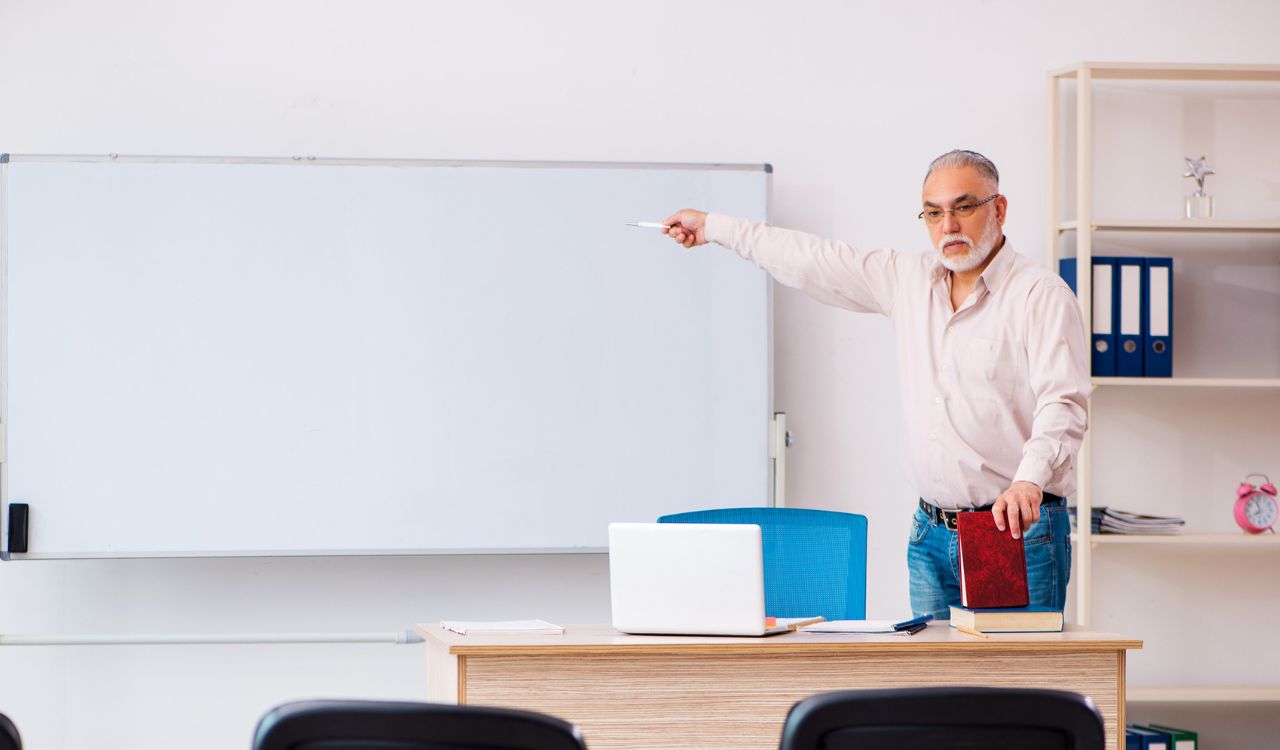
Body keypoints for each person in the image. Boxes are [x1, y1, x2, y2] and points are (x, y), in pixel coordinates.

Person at [662, 150, 1089, 619]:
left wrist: (1028, 478)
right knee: (932, 690)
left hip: (1011, 534)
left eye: (963, 208)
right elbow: (814, 260)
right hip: (930, 534)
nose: (947, 225)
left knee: (1014, 687)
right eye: (933, 212)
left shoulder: (1039, 295)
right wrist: (714, 227)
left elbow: (1063, 402)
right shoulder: (908, 280)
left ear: (999, 209)